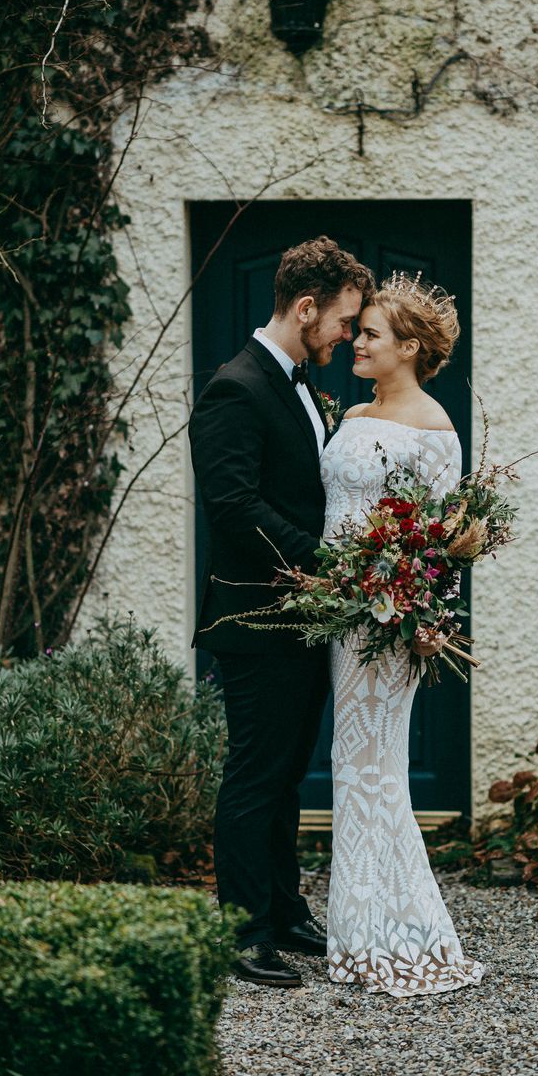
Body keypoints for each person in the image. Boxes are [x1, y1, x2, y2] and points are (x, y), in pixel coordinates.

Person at [189, 236, 375, 988]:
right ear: (306, 308)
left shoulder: (297, 382)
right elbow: (234, 507)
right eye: (345, 321)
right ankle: (243, 930)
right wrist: (327, 565)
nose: (349, 336)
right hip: (256, 621)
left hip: (301, 621)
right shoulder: (236, 386)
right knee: (254, 777)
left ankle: (284, 909)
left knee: (288, 774)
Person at [320, 271, 486, 996]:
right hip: (340, 613)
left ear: (410, 347)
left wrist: (425, 620)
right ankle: (368, 927)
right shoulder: (354, 411)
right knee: (354, 761)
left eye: (371, 333)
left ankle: (391, 935)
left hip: (390, 622)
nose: (357, 341)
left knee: (372, 765)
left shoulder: (435, 428)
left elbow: (444, 539)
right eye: (358, 332)